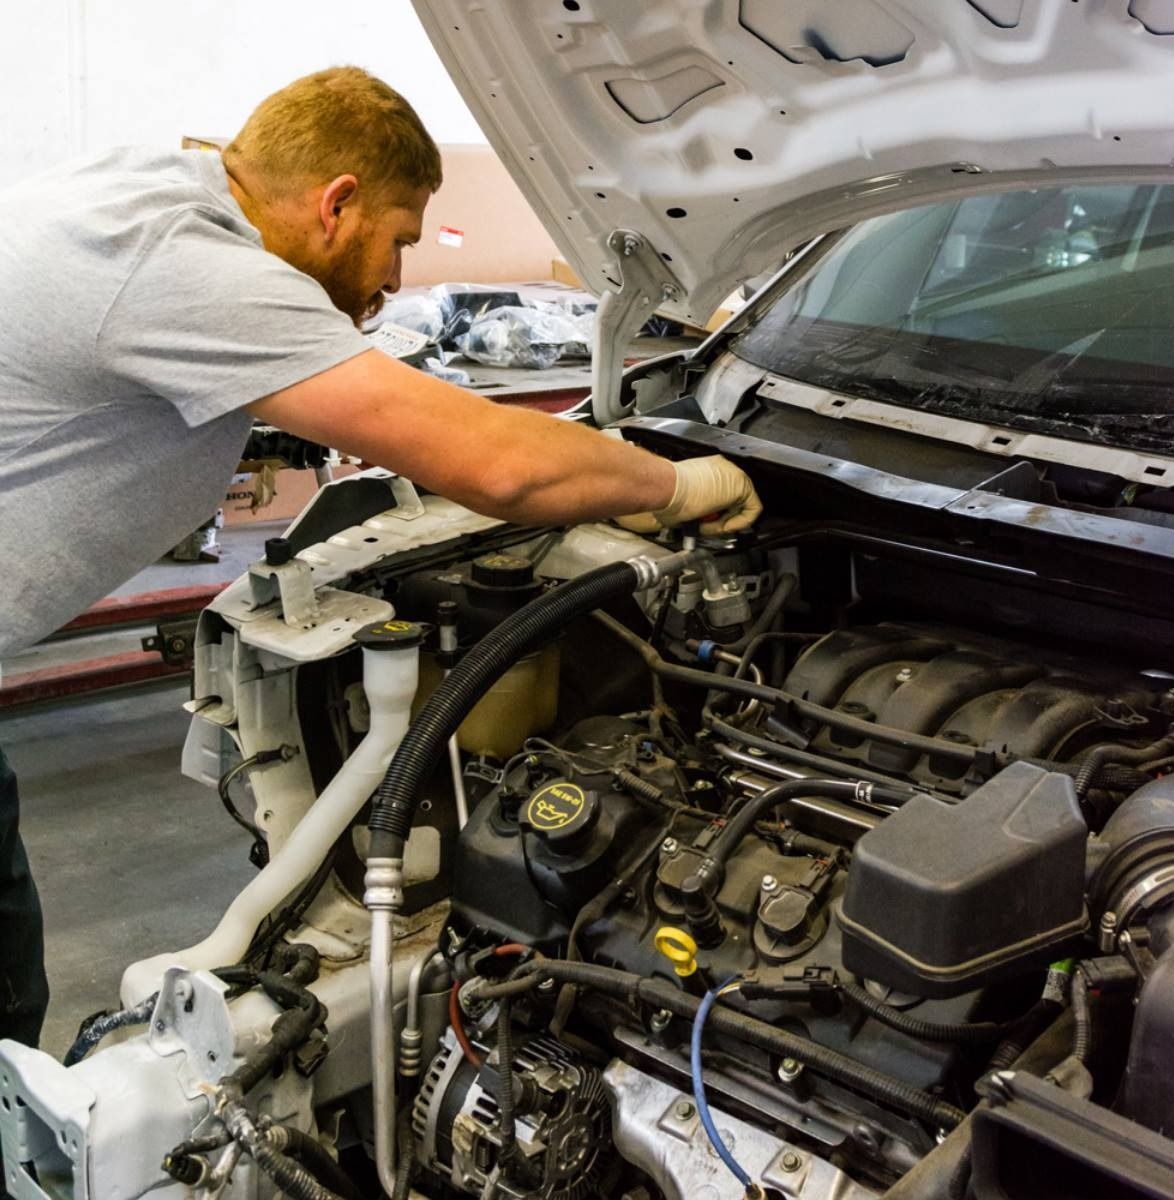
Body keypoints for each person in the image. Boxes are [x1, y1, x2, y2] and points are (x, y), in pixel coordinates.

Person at [0, 66, 762, 1049]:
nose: (397, 279)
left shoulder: (146, 189)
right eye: (399, 239)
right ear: (337, 201)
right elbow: (498, 466)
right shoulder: (192, 270)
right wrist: (679, 485)